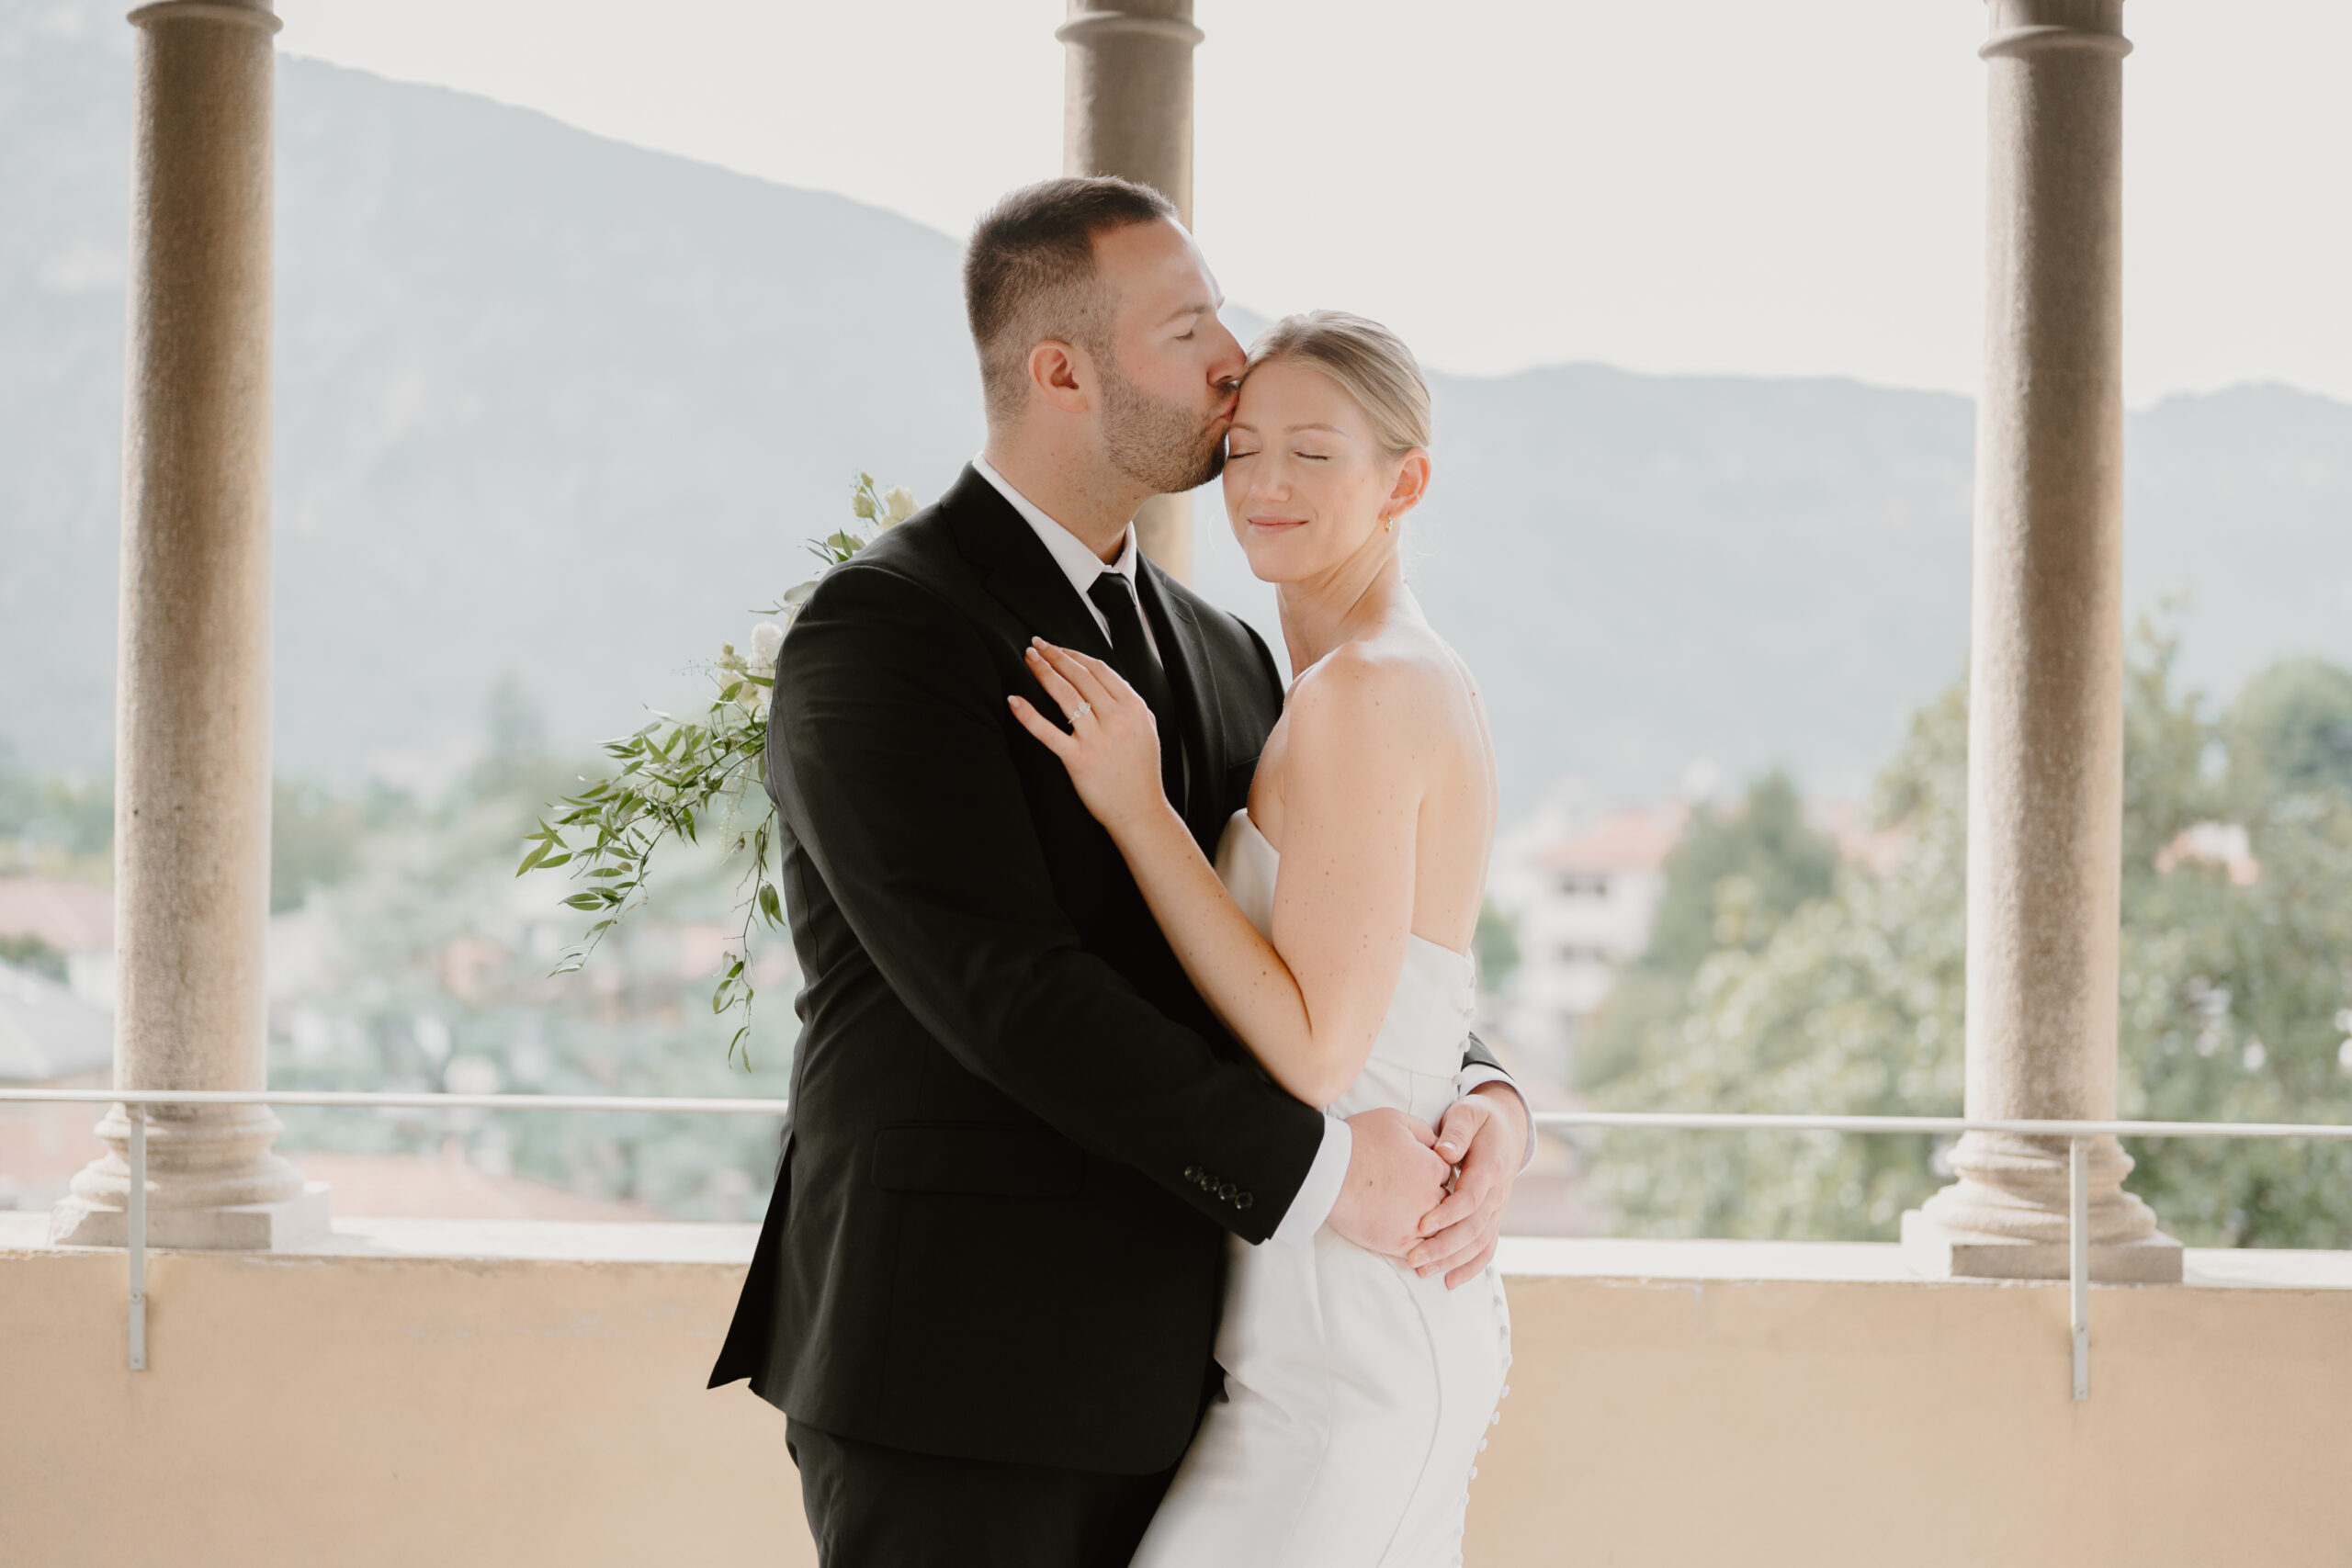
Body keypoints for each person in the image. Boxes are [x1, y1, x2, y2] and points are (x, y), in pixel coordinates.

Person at [706, 176, 1529, 1567]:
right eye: (1190, 327)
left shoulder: (1225, 651)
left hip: (1193, 1363)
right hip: (962, 1368)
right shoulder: (884, 631)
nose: (1230, 358)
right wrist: (1332, 1178)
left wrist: (1477, 1089)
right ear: (1062, 371)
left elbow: (1309, 922)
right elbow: (1003, 990)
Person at [1012, 310, 1508, 1566]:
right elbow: (1422, 992)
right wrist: (1499, 1101)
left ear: (1407, 481)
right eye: (1243, 452)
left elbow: (1316, 1055)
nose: (1267, 486)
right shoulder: (1381, 677)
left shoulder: (1364, 695)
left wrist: (1138, 811)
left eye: (1314, 454)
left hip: (1350, 1339)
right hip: (1343, 1315)